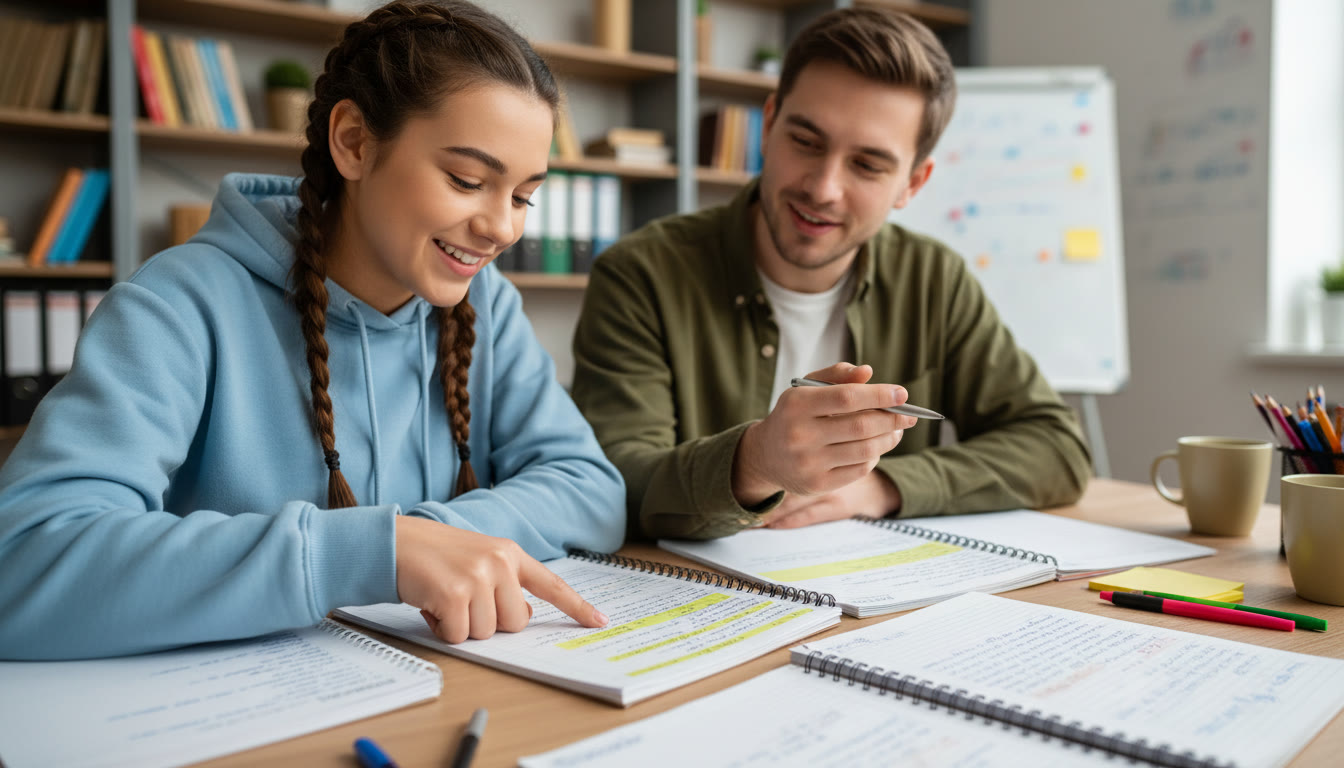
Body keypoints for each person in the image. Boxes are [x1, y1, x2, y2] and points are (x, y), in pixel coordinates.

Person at [0, 0, 624, 660]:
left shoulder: (486, 305)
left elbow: (592, 490)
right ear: (353, 141)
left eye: (524, 196)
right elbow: (23, 561)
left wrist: (429, 538)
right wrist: (371, 553)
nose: (503, 228)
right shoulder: (181, 301)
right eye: (468, 180)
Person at [572, 7, 1091, 541]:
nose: (823, 188)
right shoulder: (642, 274)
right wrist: (753, 463)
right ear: (769, 125)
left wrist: (881, 486)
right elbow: (612, 481)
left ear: (912, 184)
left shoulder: (935, 279)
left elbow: (1057, 447)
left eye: (867, 165)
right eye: (806, 141)